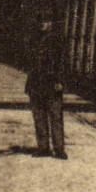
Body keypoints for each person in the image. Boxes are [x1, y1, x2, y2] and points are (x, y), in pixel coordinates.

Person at [25, 17, 68, 159]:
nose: (43, 24)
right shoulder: (34, 39)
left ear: (51, 23)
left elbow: (62, 63)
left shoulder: (57, 40)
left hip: (51, 82)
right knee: (39, 116)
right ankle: (43, 147)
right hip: (36, 83)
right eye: (41, 22)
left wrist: (60, 81)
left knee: (55, 116)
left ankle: (59, 148)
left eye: (46, 21)